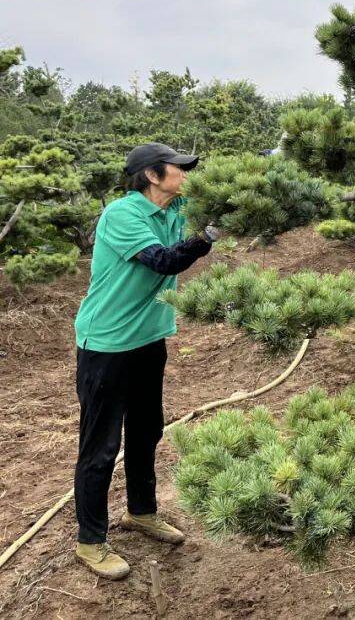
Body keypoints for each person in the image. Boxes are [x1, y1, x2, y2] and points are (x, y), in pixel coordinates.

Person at [72, 143, 220, 579]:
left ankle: (141, 512)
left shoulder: (176, 207)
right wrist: (204, 239)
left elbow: (223, 196)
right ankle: (91, 541)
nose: (187, 175)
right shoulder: (122, 214)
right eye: (180, 168)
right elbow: (162, 261)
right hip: (107, 344)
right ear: (153, 176)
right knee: (101, 447)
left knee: (145, 431)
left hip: (148, 340)